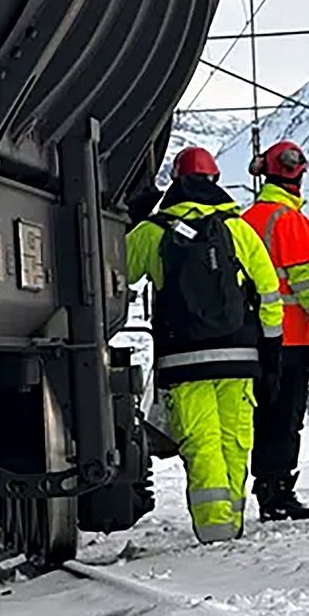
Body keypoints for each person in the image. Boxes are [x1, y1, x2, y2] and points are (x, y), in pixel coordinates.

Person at [126, 146, 283, 542]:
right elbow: (269, 296)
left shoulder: (154, 232)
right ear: (216, 180)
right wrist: (271, 357)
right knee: (234, 442)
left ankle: (215, 531)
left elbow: (117, 270)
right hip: (239, 356)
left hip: (183, 361)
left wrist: (134, 218)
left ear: (176, 182)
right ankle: (232, 525)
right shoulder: (238, 229)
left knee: (202, 443)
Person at [241, 141, 309, 520]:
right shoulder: (292, 222)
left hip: (252, 339)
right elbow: (307, 287)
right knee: (285, 420)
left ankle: (262, 487)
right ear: (299, 177)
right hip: (292, 339)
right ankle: (278, 491)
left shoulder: (246, 220)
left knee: (260, 418)